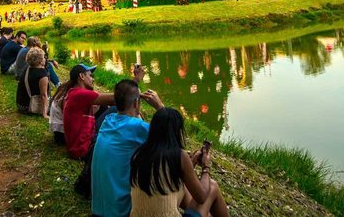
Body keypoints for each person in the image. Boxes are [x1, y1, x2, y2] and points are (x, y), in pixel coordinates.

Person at [130, 108, 230, 217]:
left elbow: (167, 177)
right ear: (177, 131)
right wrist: (206, 167)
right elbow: (201, 197)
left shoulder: (138, 154)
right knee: (212, 185)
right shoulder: (180, 155)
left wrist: (190, 163)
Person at [91, 77, 164, 217]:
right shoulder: (137, 127)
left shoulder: (108, 120)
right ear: (137, 103)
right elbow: (171, 137)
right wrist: (160, 107)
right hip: (120, 213)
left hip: (98, 210)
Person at [63, 64, 116, 159]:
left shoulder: (74, 92)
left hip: (83, 143)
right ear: (82, 76)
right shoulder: (79, 93)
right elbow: (114, 99)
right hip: (83, 149)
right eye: (90, 76)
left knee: (106, 107)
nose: (93, 79)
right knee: (115, 109)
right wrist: (135, 84)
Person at [16, 48, 51, 118]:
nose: (45, 59)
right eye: (44, 57)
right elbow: (43, 95)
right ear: (40, 61)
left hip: (20, 105)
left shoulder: (28, 68)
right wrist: (45, 114)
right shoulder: (42, 74)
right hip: (30, 107)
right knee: (58, 102)